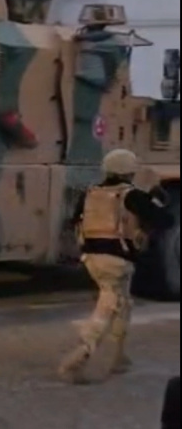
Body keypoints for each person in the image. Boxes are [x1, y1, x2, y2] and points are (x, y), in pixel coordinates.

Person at [57, 148, 173, 384]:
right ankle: (83, 351)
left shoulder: (90, 193)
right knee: (109, 305)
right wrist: (156, 197)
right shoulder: (131, 196)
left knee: (123, 303)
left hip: (92, 258)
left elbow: (74, 220)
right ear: (129, 172)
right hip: (117, 260)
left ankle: (118, 357)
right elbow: (165, 220)